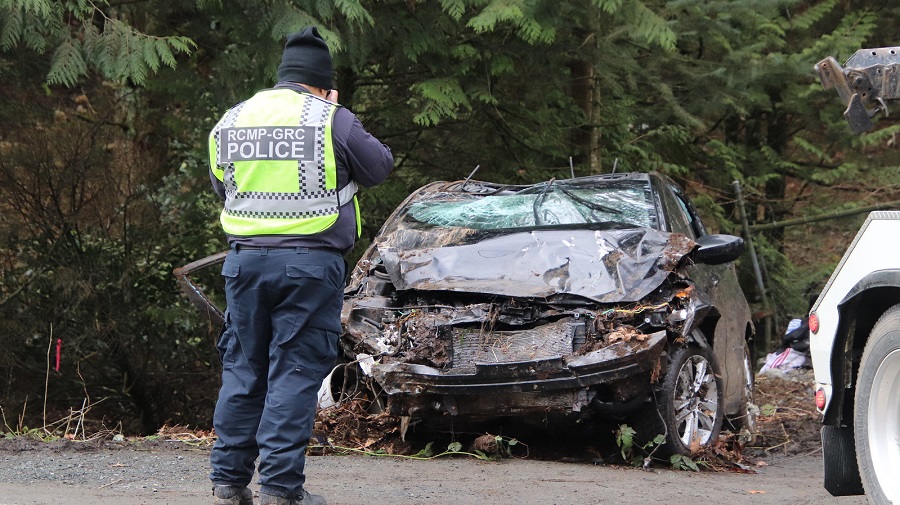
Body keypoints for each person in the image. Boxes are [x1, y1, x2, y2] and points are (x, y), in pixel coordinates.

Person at [206, 26, 393, 505]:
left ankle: (228, 484)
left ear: (284, 75)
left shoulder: (232, 119)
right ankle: (281, 490)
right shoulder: (330, 117)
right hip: (309, 267)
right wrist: (337, 111)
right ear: (323, 83)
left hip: (243, 264)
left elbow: (223, 187)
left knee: (244, 369)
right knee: (294, 371)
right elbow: (378, 168)